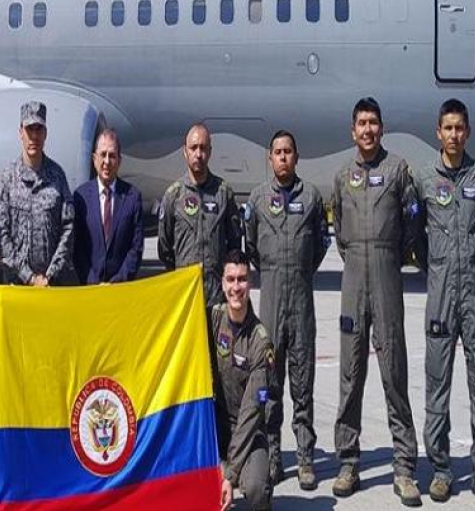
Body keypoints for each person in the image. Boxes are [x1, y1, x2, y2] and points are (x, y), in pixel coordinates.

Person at [330, 97, 422, 506]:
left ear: (381, 129)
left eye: (373, 123)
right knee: (350, 377)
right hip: (353, 284)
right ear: (353, 131)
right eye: (361, 124)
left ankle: (404, 467)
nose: (367, 130)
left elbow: (412, 224)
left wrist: (391, 256)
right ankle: (348, 461)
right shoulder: (341, 176)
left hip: (386, 279)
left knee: (393, 373)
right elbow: (340, 238)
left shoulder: (398, 171)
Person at [414, 99, 475, 508]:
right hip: (440, 297)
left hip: (474, 298)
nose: (453, 135)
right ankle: (441, 470)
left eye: (459, 128)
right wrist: (437, 271)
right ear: (439, 132)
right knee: (437, 387)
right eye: (447, 128)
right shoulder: (424, 180)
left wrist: (469, 264)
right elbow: (416, 238)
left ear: (467, 132)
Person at [245, 130, 327, 490]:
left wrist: (300, 269)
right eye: (277, 152)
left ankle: (306, 457)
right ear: (270, 158)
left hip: (301, 302)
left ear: (296, 157)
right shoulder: (258, 199)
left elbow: (322, 242)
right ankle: (275, 455)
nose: (282, 157)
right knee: (271, 384)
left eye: (288, 151)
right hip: (271, 302)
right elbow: (249, 245)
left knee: (303, 382)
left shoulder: (311, 198)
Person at [210, 251, 274, 511]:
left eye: (243, 280)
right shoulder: (213, 318)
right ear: (222, 284)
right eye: (231, 280)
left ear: (251, 284)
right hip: (217, 426)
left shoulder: (261, 342)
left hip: (248, 430)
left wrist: (230, 474)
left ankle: (262, 497)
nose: (236, 287)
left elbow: (252, 413)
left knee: (256, 491)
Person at [158, 123, 242, 307]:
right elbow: (165, 247)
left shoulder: (223, 192)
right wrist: (181, 274)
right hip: (185, 296)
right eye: (193, 148)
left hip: (217, 297)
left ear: (210, 152)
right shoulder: (174, 195)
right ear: (185, 152)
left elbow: (235, 244)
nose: (198, 154)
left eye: (203, 148)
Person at [0, 101, 74, 285]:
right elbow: (1, 235)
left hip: (51, 285)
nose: (34, 136)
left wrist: (50, 275)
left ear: (45, 133)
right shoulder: (7, 178)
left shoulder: (57, 176)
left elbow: (68, 228)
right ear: (20, 132)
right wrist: (29, 277)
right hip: (17, 284)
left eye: (39, 129)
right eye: (29, 129)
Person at [72, 129, 144, 284]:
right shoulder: (80, 197)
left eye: (112, 155)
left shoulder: (133, 197)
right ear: (94, 158)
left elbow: (136, 247)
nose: (106, 161)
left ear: (119, 160)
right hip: (90, 290)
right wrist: (92, 281)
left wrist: (118, 281)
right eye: (102, 154)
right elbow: (77, 247)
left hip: (121, 290)